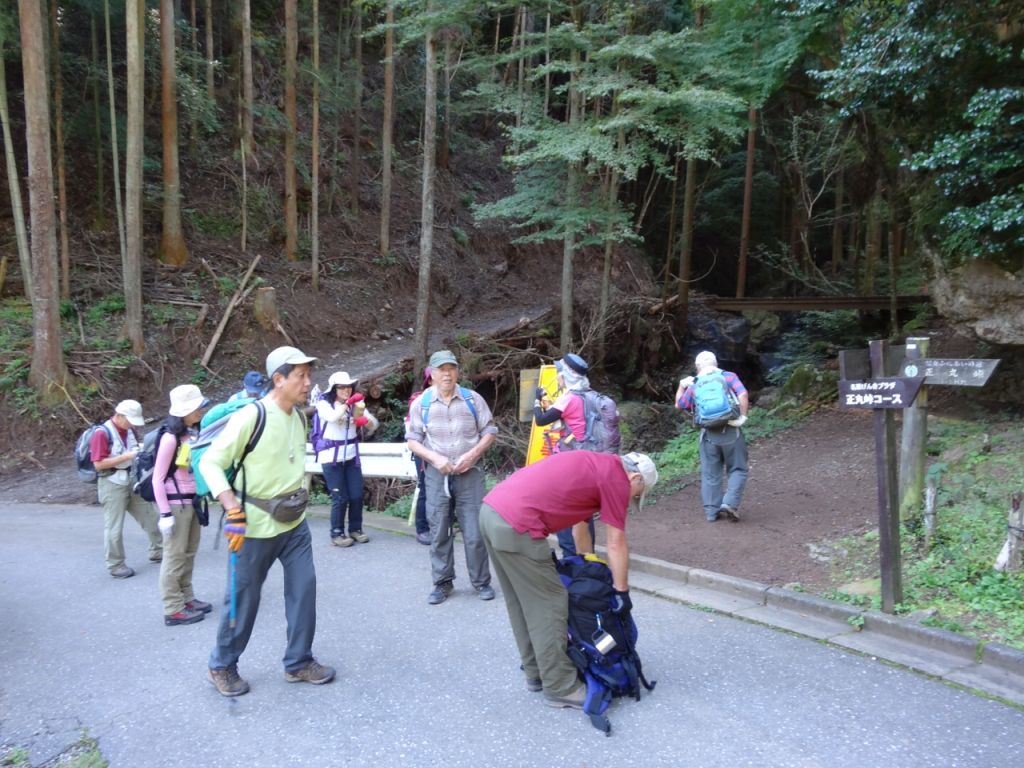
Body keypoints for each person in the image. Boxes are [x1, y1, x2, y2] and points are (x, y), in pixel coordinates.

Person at [201, 345, 335, 697]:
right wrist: (231, 506)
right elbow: (210, 463)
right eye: (300, 376)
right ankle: (222, 665)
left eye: (309, 375)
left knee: (304, 590)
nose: (308, 383)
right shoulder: (252, 416)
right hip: (252, 526)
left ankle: (299, 662)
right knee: (244, 599)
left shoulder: (300, 417)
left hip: (294, 525)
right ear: (278, 379)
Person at [479, 450, 658, 709]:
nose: (633, 500)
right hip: (519, 524)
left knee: (521, 601)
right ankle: (560, 686)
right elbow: (616, 542)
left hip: (491, 511)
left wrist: (587, 565)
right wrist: (622, 592)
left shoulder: (595, 465)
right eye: (638, 495)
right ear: (636, 478)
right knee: (550, 603)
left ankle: (537, 672)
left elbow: (580, 525)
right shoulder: (617, 480)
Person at [406, 350, 498, 605]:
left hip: (470, 475)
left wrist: (474, 454)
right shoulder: (422, 404)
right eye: (441, 369)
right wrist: (435, 459)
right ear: (432, 374)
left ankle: (481, 582)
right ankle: (442, 582)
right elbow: (413, 440)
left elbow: (490, 429)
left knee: (475, 532)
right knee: (439, 531)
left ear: (457, 372)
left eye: (451, 368)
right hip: (437, 476)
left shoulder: (472, 399)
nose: (446, 374)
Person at [154, 384, 212, 626]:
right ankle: (173, 607)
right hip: (176, 505)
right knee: (174, 556)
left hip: (192, 501)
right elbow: (158, 477)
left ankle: (187, 598)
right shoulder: (170, 438)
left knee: (189, 553)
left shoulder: (193, 434)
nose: (201, 410)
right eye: (197, 407)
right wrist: (165, 513)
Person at [531, 353, 596, 557]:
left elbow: (541, 420)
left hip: (569, 463)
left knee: (563, 508)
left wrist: (536, 400)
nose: (557, 376)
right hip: (589, 461)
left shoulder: (569, 398)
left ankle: (571, 557)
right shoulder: (591, 395)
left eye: (559, 372)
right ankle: (588, 554)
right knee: (585, 510)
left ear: (565, 376)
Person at [90, 399, 163, 578]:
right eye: (130, 420)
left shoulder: (130, 430)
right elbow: (98, 464)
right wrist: (126, 456)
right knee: (114, 527)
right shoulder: (101, 433)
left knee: (150, 516)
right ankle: (116, 565)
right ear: (119, 416)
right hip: (111, 484)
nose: (132, 424)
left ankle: (158, 550)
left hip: (131, 479)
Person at [674, 350, 749, 522]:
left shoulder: (695, 383)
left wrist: (681, 386)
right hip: (731, 430)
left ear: (697, 367)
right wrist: (742, 417)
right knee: (738, 468)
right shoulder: (728, 376)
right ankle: (729, 503)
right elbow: (743, 394)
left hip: (708, 435)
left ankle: (711, 512)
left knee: (710, 473)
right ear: (716, 364)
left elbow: (680, 405)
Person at [315, 371, 379, 547]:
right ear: (334, 389)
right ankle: (337, 533)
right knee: (340, 497)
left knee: (357, 495)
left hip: (351, 457)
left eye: (348, 386)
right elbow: (332, 417)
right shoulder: (323, 404)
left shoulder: (356, 406)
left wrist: (363, 420)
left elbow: (374, 424)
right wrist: (346, 406)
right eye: (341, 387)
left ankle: (355, 529)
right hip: (331, 458)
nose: (346, 390)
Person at [406, 367, 435, 546]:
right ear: (429, 381)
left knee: (444, 490)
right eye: (434, 377)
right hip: (423, 452)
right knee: (425, 489)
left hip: (444, 453)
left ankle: (439, 527)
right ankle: (422, 529)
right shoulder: (419, 401)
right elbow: (411, 431)